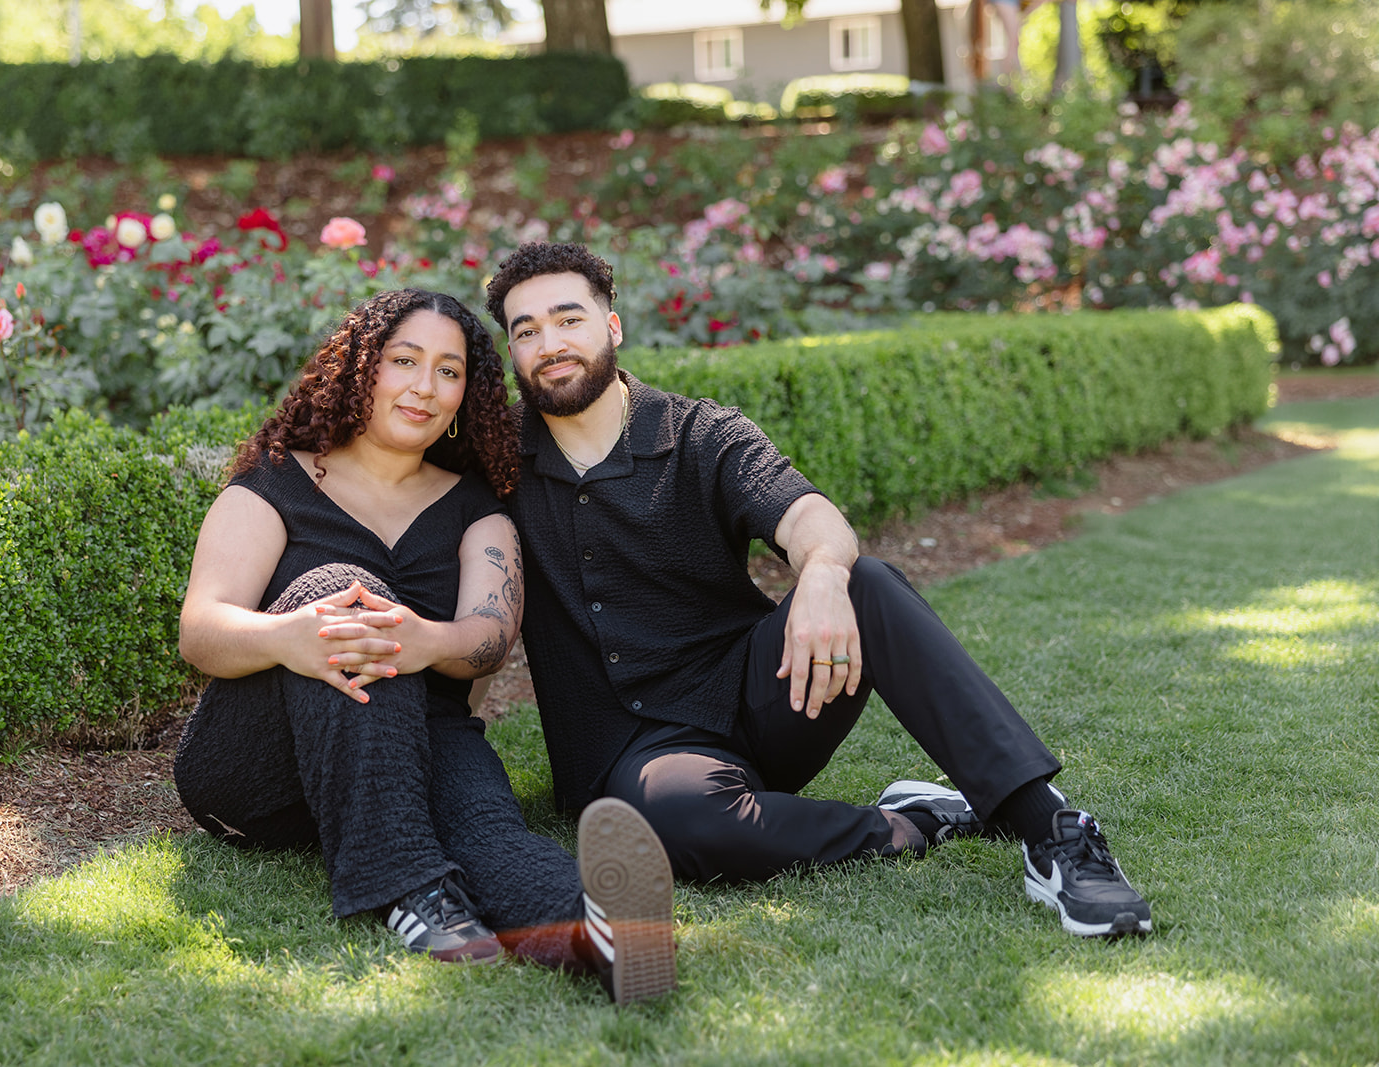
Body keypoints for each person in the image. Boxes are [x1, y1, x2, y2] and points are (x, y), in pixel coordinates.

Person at [483, 244, 1152, 939]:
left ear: (613, 327)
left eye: (568, 319)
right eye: (526, 330)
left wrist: (826, 574)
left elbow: (807, 514)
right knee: (679, 823)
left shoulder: (701, 432)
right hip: (631, 751)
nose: (549, 343)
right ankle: (918, 820)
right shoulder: (496, 455)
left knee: (866, 581)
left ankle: (1052, 831)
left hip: (762, 694)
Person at [171, 288, 677, 1002]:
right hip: (261, 761)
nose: (423, 387)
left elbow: (489, 638)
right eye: (403, 361)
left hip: (427, 737)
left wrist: (423, 639)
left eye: (448, 371)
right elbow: (202, 629)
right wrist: (294, 637)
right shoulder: (276, 483)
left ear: (466, 395)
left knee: (488, 831)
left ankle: (607, 931)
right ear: (360, 370)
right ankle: (408, 884)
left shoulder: (479, 511)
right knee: (343, 587)